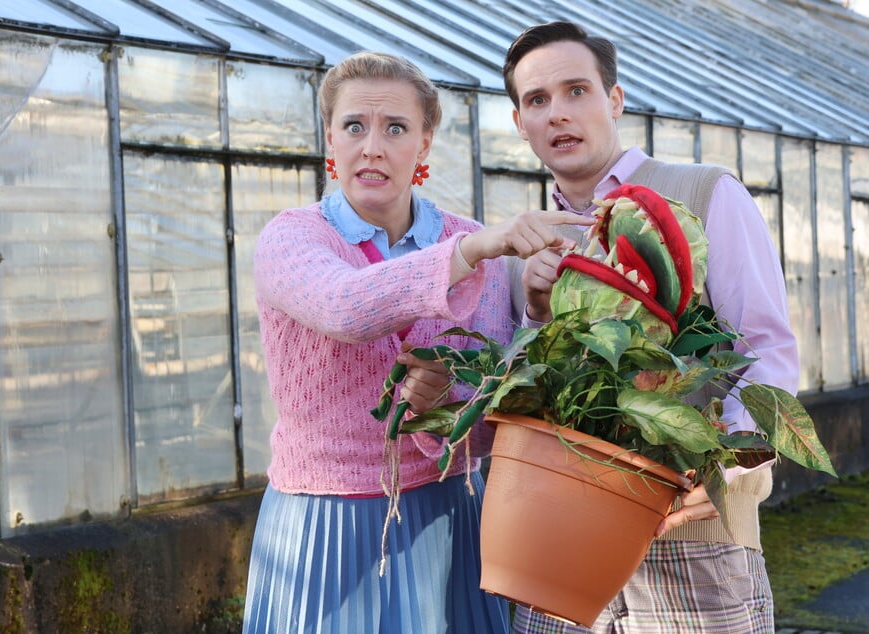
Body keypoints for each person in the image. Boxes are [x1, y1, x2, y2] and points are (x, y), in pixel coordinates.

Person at [241, 51, 590, 634]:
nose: (371, 146)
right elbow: (345, 306)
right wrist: (470, 255)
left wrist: (446, 401)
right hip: (326, 525)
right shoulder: (293, 238)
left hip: (447, 515)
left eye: (395, 128)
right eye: (354, 126)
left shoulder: (467, 236)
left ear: (424, 145)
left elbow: (495, 424)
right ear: (330, 139)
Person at [502, 21, 800, 634]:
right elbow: (516, 396)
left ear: (614, 100)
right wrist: (533, 310)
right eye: (537, 100)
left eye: (576, 90)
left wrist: (727, 466)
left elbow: (767, 350)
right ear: (519, 122)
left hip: (693, 534)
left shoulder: (703, 192)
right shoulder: (523, 240)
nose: (558, 114)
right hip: (558, 542)